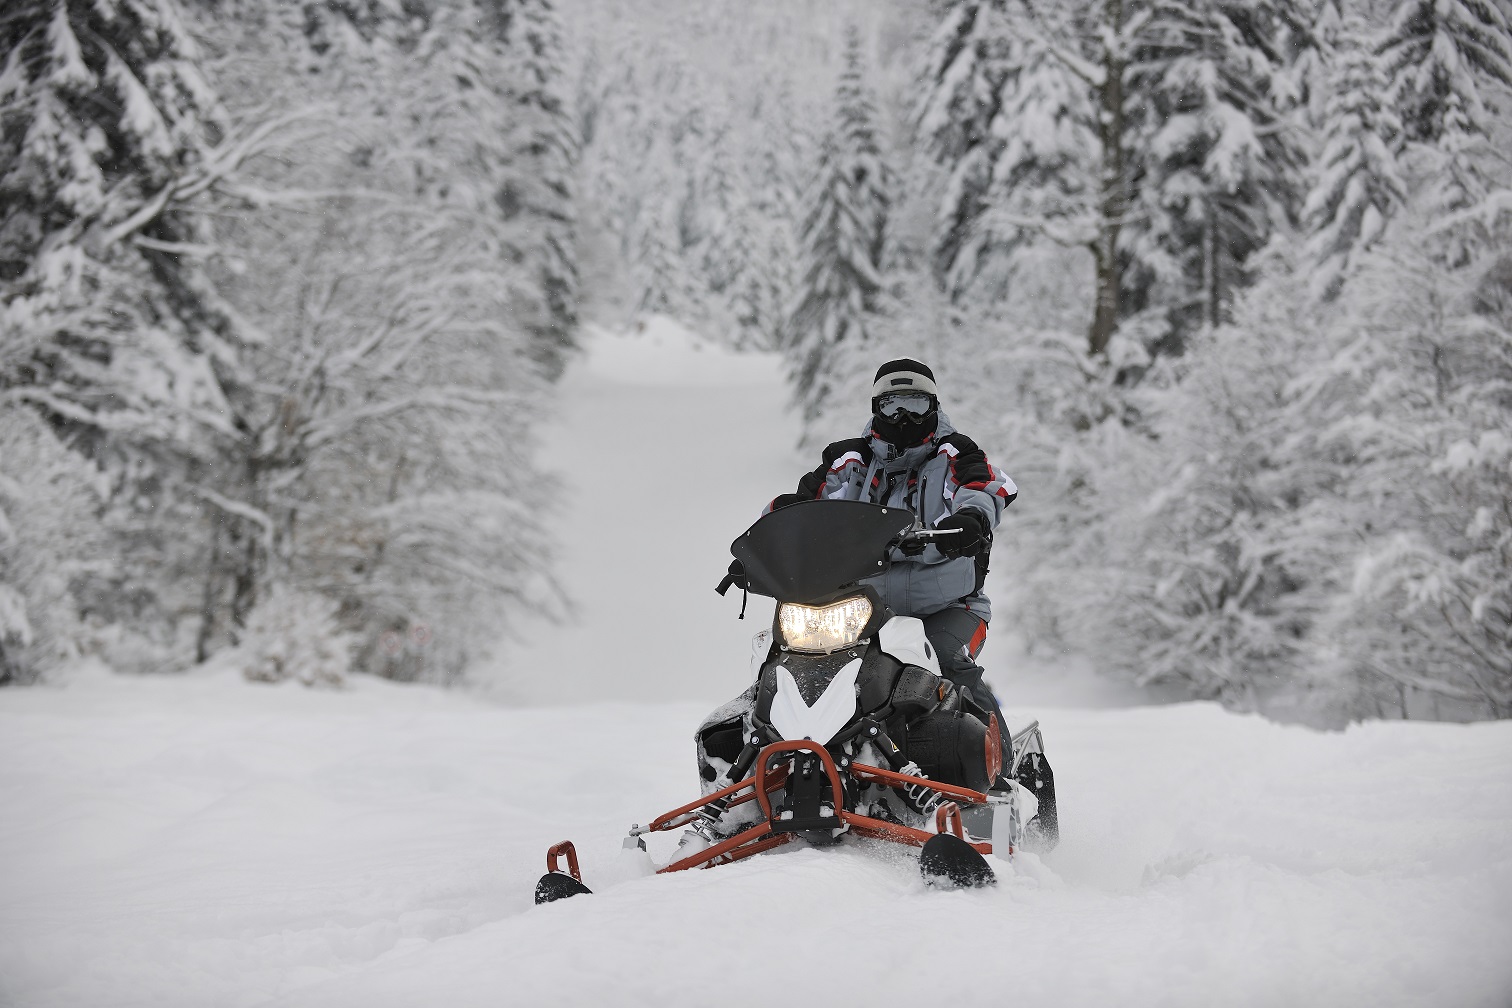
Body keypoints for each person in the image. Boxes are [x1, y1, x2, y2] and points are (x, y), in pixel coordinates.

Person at [729, 358, 1017, 776]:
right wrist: (765, 548)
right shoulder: (850, 460)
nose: (904, 417)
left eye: (915, 405)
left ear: (933, 407)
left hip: (948, 605)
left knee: (949, 665)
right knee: (788, 662)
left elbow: (985, 487)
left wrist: (968, 520)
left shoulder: (956, 453)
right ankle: (768, 771)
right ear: (875, 408)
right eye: (893, 406)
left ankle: (999, 773)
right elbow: (805, 504)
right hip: (862, 608)